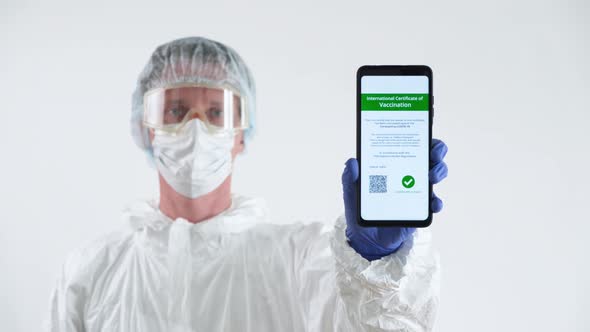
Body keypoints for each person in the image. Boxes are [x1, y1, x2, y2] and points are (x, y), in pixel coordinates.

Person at [46, 37, 449, 332]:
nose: (196, 129)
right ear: (146, 127)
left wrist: (376, 264)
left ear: (241, 132)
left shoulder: (302, 261)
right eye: (176, 110)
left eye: (217, 112)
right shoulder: (92, 271)